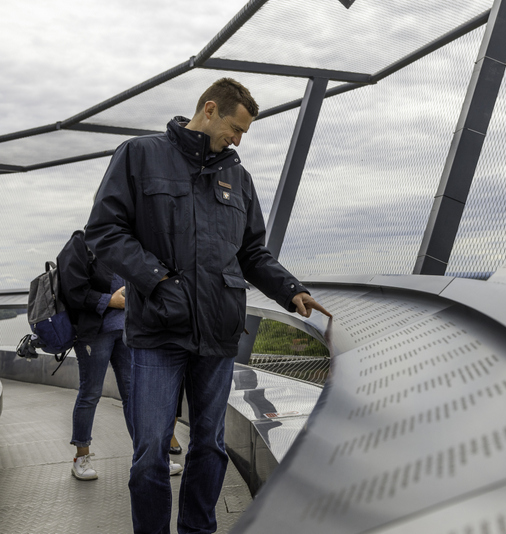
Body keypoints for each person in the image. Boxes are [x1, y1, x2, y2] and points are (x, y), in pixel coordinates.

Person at [85, 78, 330, 533]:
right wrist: (158, 279)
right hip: (158, 331)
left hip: (218, 332)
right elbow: (104, 231)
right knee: (150, 452)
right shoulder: (139, 155)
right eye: (236, 129)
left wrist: (290, 289)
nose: (238, 140)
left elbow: (252, 252)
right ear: (210, 109)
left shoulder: (239, 178)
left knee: (210, 447)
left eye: (243, 133)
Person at [59, 230, 184, 481]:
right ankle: (81, 457)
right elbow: (73, 290)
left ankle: (149, 458)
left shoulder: (126, 244)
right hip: (94, 334)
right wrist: (110, 301)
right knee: (90, 393)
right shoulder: (81, 242)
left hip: (128, 331)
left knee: (134, 396)